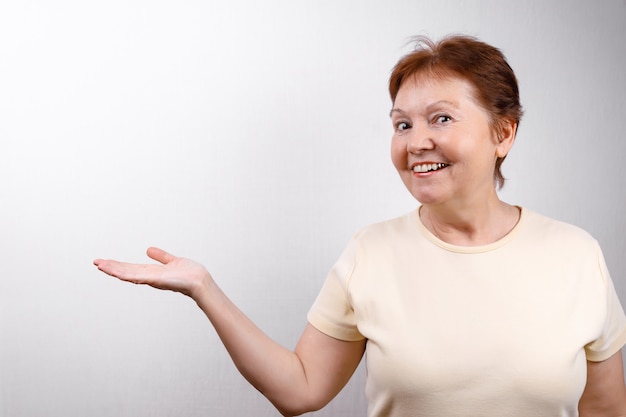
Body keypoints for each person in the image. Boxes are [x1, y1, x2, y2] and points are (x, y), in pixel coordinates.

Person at [93, 35, 626, 416]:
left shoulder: (576, 254)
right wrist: (204, 289)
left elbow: (605, 408)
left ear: (503, 133)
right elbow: (300, 391)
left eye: (441, 118)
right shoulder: (370, 252)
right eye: (402, 124)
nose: (416, 141)